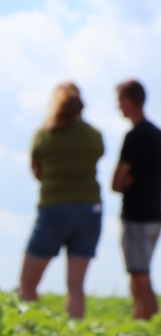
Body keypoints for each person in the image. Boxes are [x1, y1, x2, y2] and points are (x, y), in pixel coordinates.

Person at [18, 82, 104, 319]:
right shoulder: (93, 135)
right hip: (90, 210)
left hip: (54, 208)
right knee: (76, 287)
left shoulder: (44, 134)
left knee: (27, 284)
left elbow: (36, 170)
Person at [111, 79, 161, 320]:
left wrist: (129, 181)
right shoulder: (157, 134)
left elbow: (116, 182)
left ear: (129, 101)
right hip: (155, 214)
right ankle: (139, 324)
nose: (118, 106)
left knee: (140, 276)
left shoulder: (135, 135)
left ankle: (152, 332)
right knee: (137, 275)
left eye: (119, 100)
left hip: (137, 216)